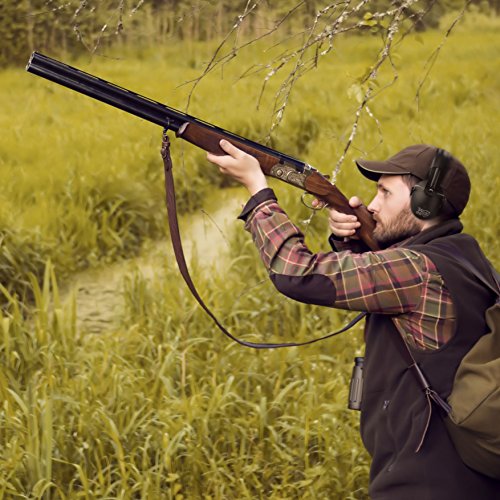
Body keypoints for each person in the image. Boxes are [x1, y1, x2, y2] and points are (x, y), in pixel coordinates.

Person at [207, 141, 500, 500]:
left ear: (425, 203)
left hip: (423, 483)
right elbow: (396, 290)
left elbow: (295, 272)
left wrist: (258, 190)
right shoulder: (467, 258)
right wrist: (352, 240)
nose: (372, 205)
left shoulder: (417, 269)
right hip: (466, 477)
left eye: (385, 193)